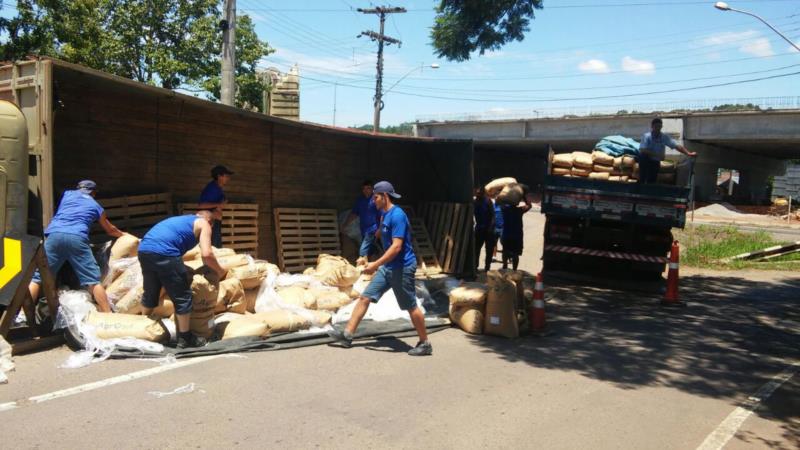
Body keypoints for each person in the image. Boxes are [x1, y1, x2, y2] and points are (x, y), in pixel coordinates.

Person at [328, 181, 432, 356]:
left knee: (410, 305)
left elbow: (396, 247)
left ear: (384, 196)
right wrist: (364, 253)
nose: (373, 200)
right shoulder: (383, 215)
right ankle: (347, 335)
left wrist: (375, 265)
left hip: (402, 267)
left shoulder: (398, 215)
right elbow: (374, 235)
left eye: (375, 197)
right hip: (388, 267)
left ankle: (425, 343)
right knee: (365, 298)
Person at [29, 180, 123, 312]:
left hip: (54, 235)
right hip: (76, 238)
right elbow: (110, 230)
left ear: (79, 188)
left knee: (38, 277)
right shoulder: (96, 206)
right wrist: (123, 235)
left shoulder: (67, 194)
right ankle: (108, 314)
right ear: (94, 192)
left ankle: (22, 315)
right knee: (93, 281)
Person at [137, 210, 226, 348]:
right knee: (183, 296)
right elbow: (207, 254)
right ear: (210, 222)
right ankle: (185, 338)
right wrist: (220, 272)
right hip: (165, 252)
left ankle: (142, 328)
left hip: (144, 250)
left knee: (150, 292)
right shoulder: (205, 224)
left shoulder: (183, 220)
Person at [638, 118, 697, 184]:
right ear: (652, 126)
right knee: (642, 156)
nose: (658, 128)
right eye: (656, 126)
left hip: (655, 162)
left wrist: (688, 153)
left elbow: (676, 146)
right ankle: (641, 182)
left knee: (652, 181)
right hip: (646, 161)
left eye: (659, 127)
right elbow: (642, 149)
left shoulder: (664, 137)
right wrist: (657, 154)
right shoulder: (646, 136)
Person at [344, 180, 383, 263]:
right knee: (371, 249)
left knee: (363, 250)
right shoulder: (360, 201)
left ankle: (361, 269)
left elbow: (382, 215)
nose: (366, 190)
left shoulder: (376, 200)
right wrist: (345, 225)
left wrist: (380, 228)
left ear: (372, 189)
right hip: (364, 229)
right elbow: (354, 214)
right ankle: (374, 266)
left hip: (373, 229)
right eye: (364, 189)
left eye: (368, 188)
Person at [198, 165, 233, 248]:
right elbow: (201, 205)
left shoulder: (218, 188)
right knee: (212, 247)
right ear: (219, 176)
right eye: (226, 176)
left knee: (216, 247)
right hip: (210, 223)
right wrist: (219, 205)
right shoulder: (212, 188)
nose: (228, 178)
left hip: (215, 222)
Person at [500, 195, 532, 271]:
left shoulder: (505, 209)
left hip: (506, 235)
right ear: (517, 203)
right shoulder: (519, 210)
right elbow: (529, 205)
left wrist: (506, 197)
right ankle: (514, 270)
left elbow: (499, 202)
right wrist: (524, 196)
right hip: (517, 236)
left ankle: (505, 266)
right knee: (515, 254)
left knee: (505, 251)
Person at [473, 186, 495, 271]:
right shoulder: (474, 202)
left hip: (488, 230)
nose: (478, 194)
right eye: (477, 193)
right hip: (479, 229)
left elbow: (493, 216)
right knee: (476, 249)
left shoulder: (488, 201)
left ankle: (487, 267)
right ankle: (475, 266)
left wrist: (491, 227)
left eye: (479, 193)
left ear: (483, 193)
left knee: (489, 250)